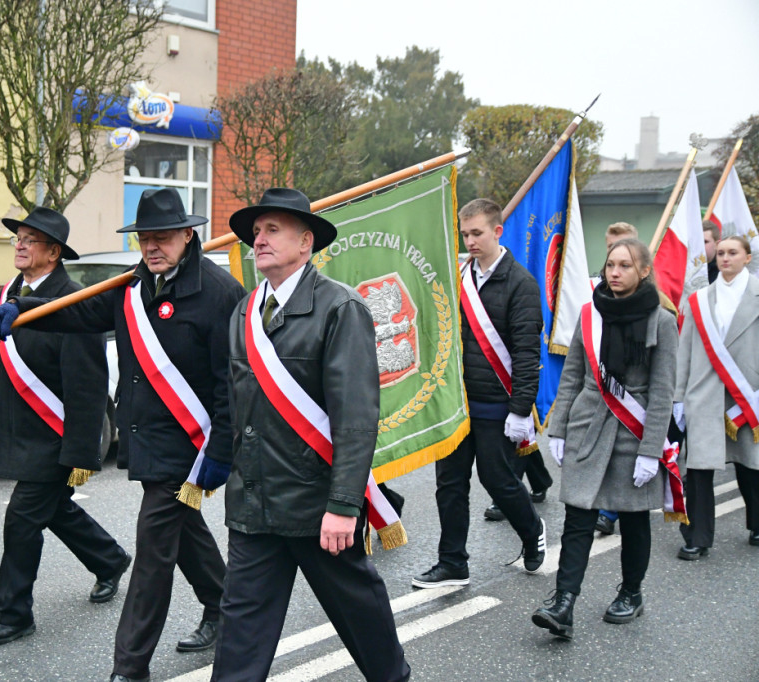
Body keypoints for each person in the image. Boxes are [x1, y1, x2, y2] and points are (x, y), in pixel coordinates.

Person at [0, 188, 244, 682]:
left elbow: (231, 381)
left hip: (192, 442)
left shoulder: (219, 293)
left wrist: (222, 449)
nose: (152, 247)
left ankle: (130, 667)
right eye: (145, 238)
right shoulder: (132, 287)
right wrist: (20, 310)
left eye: (162, 238)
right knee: (181, 532)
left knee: (152, 553)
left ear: (188, 236)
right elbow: (78, 313)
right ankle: (223, 605)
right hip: (147, 437)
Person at [212, 188, 410, 682]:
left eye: (272, 230)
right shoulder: (243, 313)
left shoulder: (340, 308)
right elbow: (236, 408)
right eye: (256, 232)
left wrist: (344, 506)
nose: (258, 240)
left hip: (315, 507)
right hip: (254, 507)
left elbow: (357, 418)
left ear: (306, 243)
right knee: (240, 635)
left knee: (362, 616)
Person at [0, 207, 130, 647]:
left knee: (21, 519)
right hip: (21, 429)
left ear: (53, 252)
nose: (19, 245)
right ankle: (110, 559)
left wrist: (81, 453)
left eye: (29, 240)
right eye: (16, 238)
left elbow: (88, 386)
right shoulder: (9, 294)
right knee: (53, 509)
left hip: (54, 435)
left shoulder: (72, 301)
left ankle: (14, 614)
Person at [532, 238, 677, 640]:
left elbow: (663, 391)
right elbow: (572, 376)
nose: (614, 272)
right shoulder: (590, 313)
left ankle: (631, 592)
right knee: (578, 519)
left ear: (643, 271)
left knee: (632, 522)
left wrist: (652, 450)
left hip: (634, 432)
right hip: (588, 426)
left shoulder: (662, 321)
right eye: (611, 264)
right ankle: (563, 603)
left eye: (625, 266)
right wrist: (558, 427)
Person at [413, 198, 546, 589]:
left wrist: (521, 409)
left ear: (497, 231)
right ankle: (452, 562)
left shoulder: (520, 283)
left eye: (477, 233)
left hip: (497, 402)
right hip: (457, 403)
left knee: (498, 480)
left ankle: (531, 528)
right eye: (465, 234)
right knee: (449, 484)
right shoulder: (457, 279)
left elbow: (526, 352)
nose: (470, 241)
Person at [674, 235, 759, 558]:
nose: (725, 258)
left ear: (747, 257)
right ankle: (697, 535)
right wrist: (678, 397)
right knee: (698, 467)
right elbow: (685, 351)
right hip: (705, 393)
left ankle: (757, 523)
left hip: (748, 391)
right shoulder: (698, 299)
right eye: (720, 252)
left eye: (732, 252)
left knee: (752, 466)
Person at [590, 221, 640, 536]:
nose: (614, 259)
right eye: (610, 249)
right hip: (598, 386)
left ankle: (609, 512)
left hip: (632, 395)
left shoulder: (651, 297)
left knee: (624, 460)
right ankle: (603, 508)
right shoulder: (592, 289)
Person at [703, 219, 722, 284]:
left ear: (717, 244)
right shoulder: (685, 266)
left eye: (705, 242)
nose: (700, 246)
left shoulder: (724, 270)